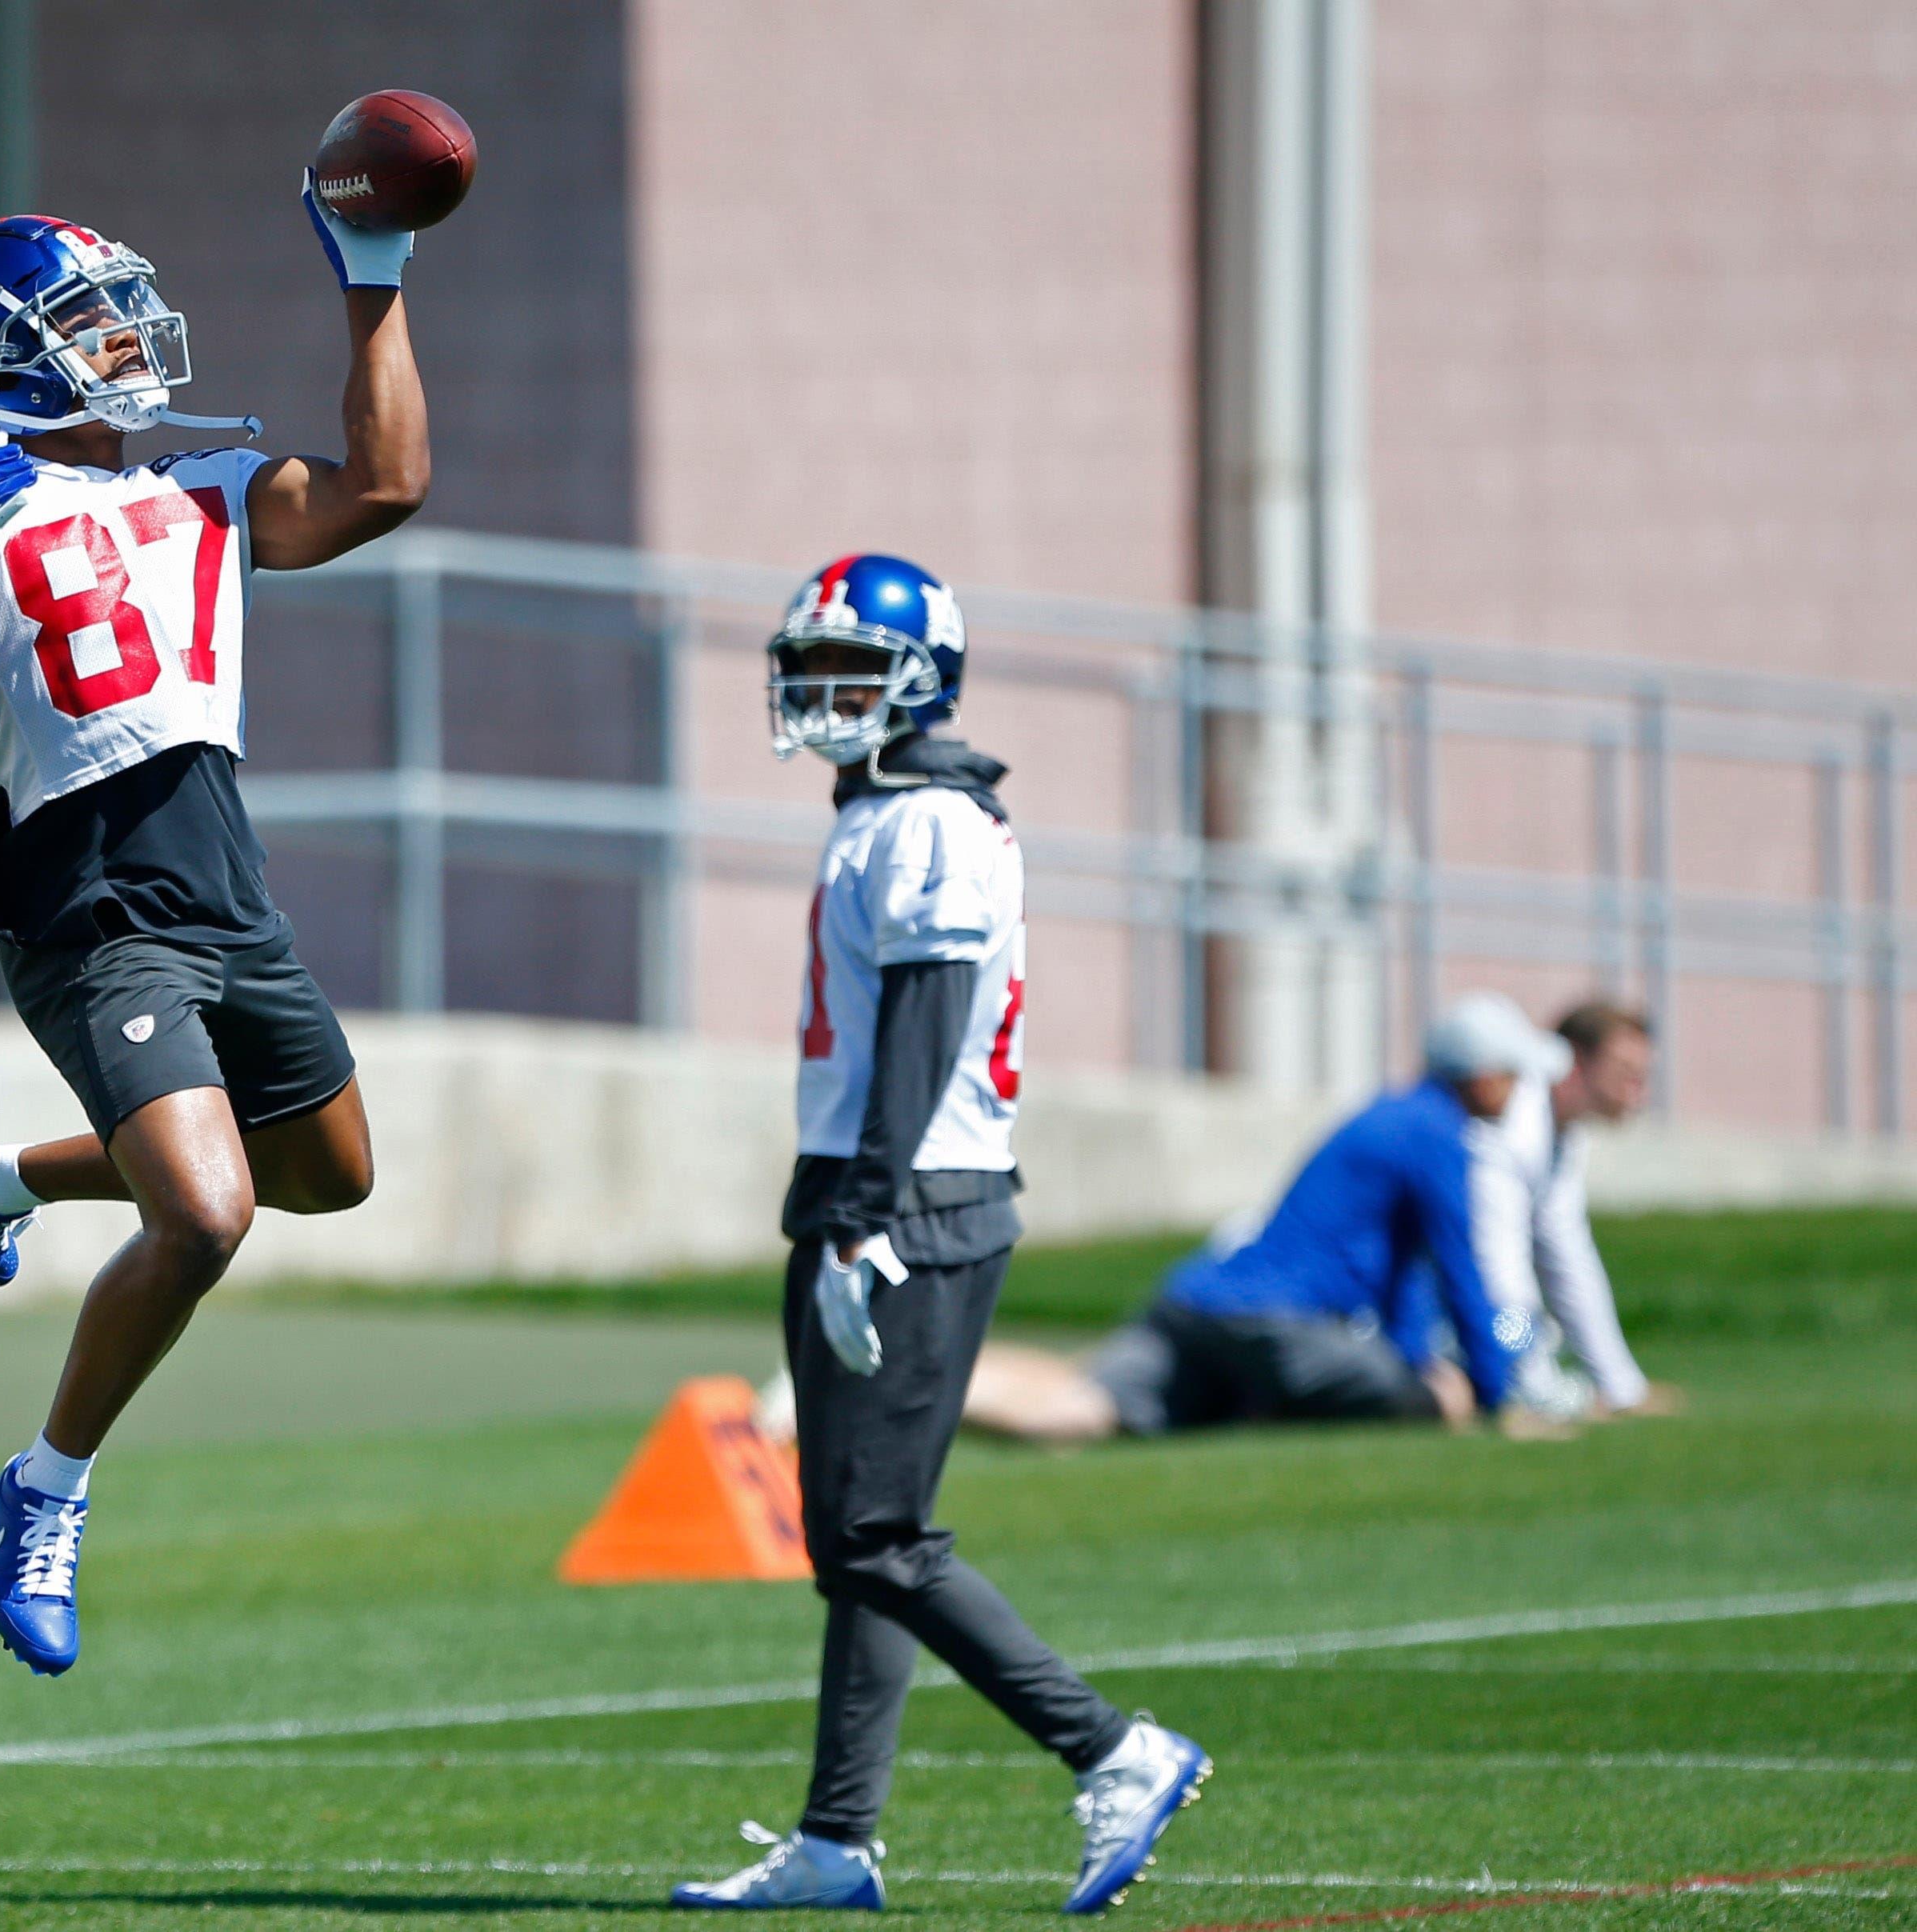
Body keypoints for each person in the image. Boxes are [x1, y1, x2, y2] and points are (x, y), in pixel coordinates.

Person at [0, 190, 426, 1678]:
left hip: (220, 884)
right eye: (85, 319)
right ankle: (47, 1483)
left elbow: (384, 485)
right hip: (85, 905)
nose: (124, 336)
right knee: (204, 1216)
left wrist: (379, 277)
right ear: (6, 362)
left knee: (324, 1176)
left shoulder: (208, 492)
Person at [670, 555, 1207, 1918]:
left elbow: (925, 1020)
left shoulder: (926, 825)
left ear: (923, 677)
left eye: (850, 665)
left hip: (909, 1197)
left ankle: (1110, 1749)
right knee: (853, 1536)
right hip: (871, 1186)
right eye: (807, 663)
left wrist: (860, 1214)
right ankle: (836, 1840)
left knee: (876, 1539)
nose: (817, 691)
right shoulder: (885, 811)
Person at [961, 992, 1555, 1445]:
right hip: (1279, 1326)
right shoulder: (1437, 1134)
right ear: (1483, 1076)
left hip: (1201, 1300)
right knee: (1425, 1400)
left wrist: (1415, 1352)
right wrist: (1495, 1396)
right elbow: (1461, 1268)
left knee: (1086, 1404)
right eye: (1514, 1073)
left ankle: (933, 1394)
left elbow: (1408, 1271)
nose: (1521, 1089)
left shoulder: (1390, 1116)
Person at [1422, 998, 1678, 1420]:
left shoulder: (1561, 1130)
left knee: (1540, 1333)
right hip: (1425, 1317)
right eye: (1626, 1073)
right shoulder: (1510, 1124)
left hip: (1462, 1312)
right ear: (1573, 1062)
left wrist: (1622, 1388)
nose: (1639, 1092)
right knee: (1524, 1334)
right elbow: (1500, 1273)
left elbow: (1571, 1264)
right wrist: (1535, 1389)